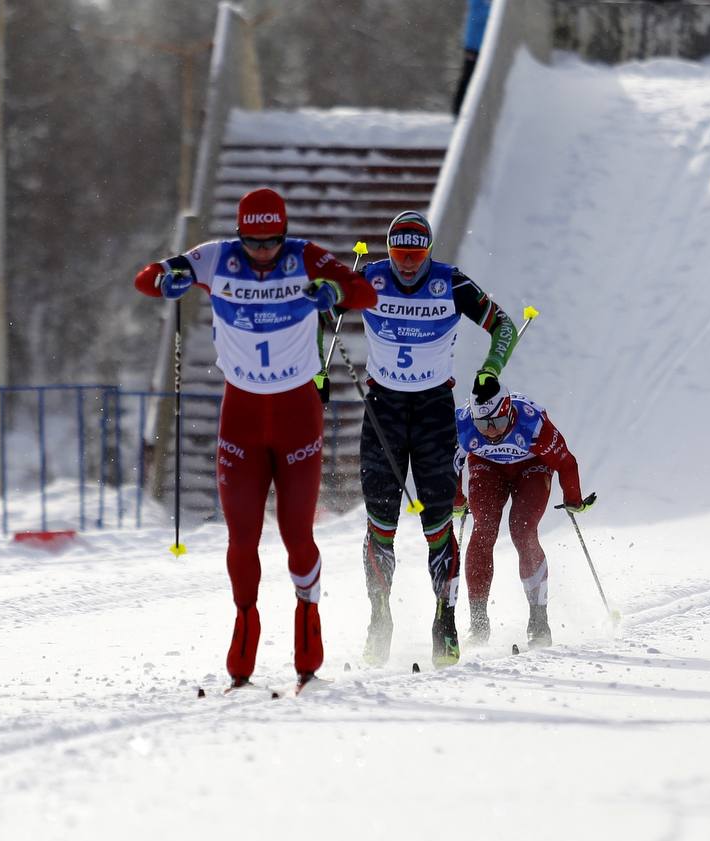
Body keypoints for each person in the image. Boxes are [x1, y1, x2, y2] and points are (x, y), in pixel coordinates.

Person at [133, 187, 376, 690]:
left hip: (296, 415)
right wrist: (168, 277)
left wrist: (334, 292)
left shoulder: (305, 256)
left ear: (283, 235)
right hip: (241, 415)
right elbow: (145, 278)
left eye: (271, 242)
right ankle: (245, 631)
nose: (263, 252)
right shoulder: (216, 257)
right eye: (253, 242)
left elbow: (364, 292)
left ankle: (308, 643)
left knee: (296, 535)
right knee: (241, 536)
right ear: (240, 235)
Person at [346, 210, 519, 669]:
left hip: (432, 413)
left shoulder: (452, 283)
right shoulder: (369, 277)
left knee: (438, 522)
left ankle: (444, 619)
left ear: (429, 251)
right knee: (380, 522)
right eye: (399, 254)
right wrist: (317, 371)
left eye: (416, 254)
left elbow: (504, 326)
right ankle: (379, 618)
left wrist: (490, 371)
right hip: (382, 410)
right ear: (387, 251)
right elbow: (319, 311)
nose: (406, 264)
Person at [453, 380, 594, 648]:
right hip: (487, 467)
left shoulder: (532, 422)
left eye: (496, 423)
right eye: (483, 425)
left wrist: (573, 499)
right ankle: (478, 623)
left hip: (532, 467)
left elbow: (566, 462)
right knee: (483, 529)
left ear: (508, 410)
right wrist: (457, 500)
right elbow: (450, 466)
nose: (491, 432)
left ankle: (539, 621)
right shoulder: (463, 424)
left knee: (522, 529)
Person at [453, 0, 492, 115]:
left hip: (482, 46)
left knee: (477, 77)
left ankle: (472, 109)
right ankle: (458, 109)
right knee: (469, 77)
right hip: (474, 46)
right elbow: (482, 14)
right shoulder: (478, 3)